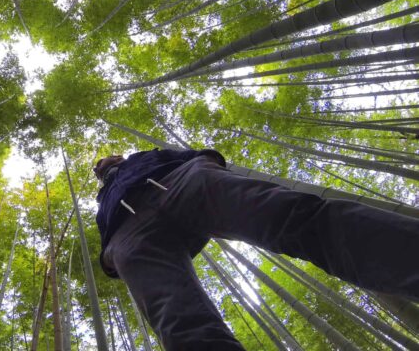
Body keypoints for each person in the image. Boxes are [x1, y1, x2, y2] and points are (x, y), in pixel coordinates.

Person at [94, 148, 419, 350]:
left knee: (296, 217)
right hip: (130, 232)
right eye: (97, 166)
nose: (100, 165)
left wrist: (205, 162)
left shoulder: (145, 156)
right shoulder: (102, 199)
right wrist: (112, 253)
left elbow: (183, 154)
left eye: (103, 160)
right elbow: (104, 230)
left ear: (118, 157)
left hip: (182, 182)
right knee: (179, 320)